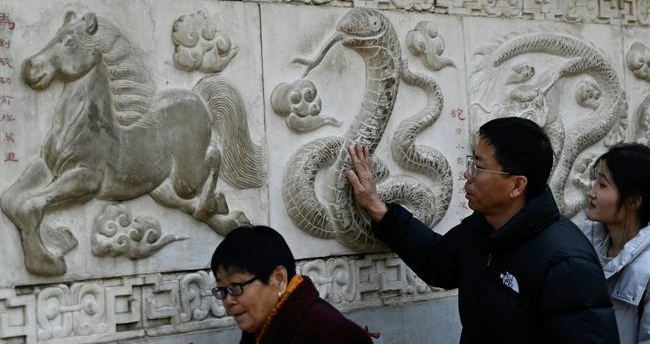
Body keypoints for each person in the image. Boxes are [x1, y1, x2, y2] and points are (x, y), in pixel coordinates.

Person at [347, 116, 619, 344]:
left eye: (478, 167)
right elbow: (436, 261)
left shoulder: (565, 263)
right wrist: (377, 207)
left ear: (516, 185)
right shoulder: (482, 230)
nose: (468, 175)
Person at [210, 225, 374, 344]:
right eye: (222, 290)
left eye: (235, 287)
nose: (228, 301)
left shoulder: (335, 334)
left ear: (279, 279)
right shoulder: (257, 329)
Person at [582, 143, 650, 344]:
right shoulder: (581, 238)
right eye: (595, 181)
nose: (591, 192)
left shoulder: (646, 269)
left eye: (602, 185)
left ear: (633, 202)